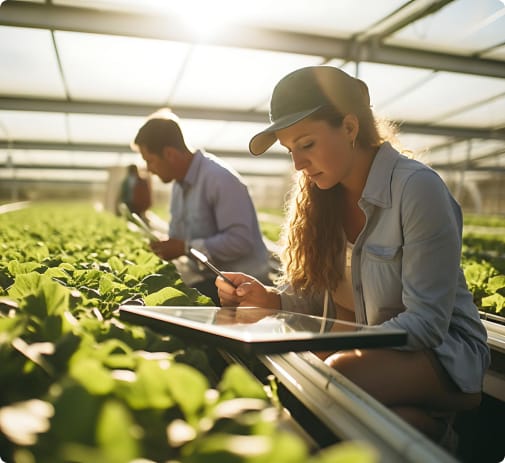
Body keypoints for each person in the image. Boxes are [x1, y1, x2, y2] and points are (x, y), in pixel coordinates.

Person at [215, 65, 490, 452]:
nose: (298, 164)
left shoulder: (416, 189)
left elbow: (427, 323)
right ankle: (433, 436)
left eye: (307, 144)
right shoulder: (319, 198)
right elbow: (312, 295)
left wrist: (337, 345)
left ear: (348, 127)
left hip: (446, 355)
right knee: (376, 419)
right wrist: (271, 299)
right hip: (377, 350)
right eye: (291, 150)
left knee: (333, 375)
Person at [131, 108, 270, 305]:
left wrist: (186, 247)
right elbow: (181, 239)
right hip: (208, 279)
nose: (149, 170)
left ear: (169, 154)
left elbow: (240, 240)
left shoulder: (220, 179)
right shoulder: (179, 185)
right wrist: (168, 244)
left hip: (242, 287)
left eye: (150, 161)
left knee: (165, 307)